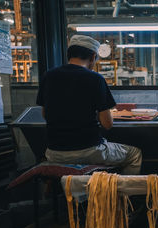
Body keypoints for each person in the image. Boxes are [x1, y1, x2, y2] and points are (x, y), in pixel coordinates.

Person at [36, 35, 142, 174]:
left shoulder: (48, 76)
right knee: (134, 154)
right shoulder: (95, 78)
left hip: (53, 152)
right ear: (93, 56)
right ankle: (121, 194)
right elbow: (107, 124)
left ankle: (70, 191)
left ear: (69, 54)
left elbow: (45, 114)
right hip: (88, 151)